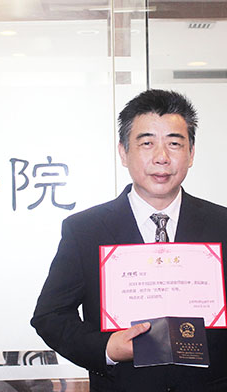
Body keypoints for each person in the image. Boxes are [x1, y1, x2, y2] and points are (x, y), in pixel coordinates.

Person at [31, 89, 227, 392]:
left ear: (191, 153)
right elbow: (50, 316)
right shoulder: (85, 230)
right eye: (147, 143)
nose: (161, 157)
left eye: (174, 143)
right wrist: (107, 348)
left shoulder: (221, 225)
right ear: (123, 152)